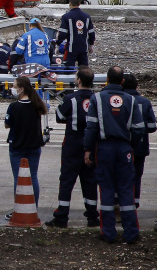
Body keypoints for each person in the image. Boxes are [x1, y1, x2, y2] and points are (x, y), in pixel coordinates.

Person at [85, 66, 144, 244]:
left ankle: (108, 233)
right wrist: (129, 145)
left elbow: (91, 127)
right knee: (127, 190)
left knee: (106, 190)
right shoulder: (131, 100)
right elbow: (139, 129)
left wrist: (88, 149)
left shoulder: (97, 98)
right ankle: (131, 233)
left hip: (104, 149)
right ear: (122, 81)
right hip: (124, 149)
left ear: (107, 80)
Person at [47, 66, 98, 228]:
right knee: (90, 181)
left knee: (67, 180)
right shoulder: (97, 98)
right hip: (91, 143)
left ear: (79, 80)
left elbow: (60, 116)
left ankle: (62, 216)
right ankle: (92, 216)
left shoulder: (70, 98)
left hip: (72, 143)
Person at [4, 76, 46, 213]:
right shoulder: (36, 105)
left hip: (17, 147)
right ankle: (34, 208)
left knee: (19, 178)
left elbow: (7, 124)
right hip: (34, 146)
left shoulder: (14, 107)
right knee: (33, 177)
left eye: (14, 86)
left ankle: (20, 209)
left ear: (21, 89)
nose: (12, 89)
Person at [123, 73, 157, 208]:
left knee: (121, 176)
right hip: (140, 146)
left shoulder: (120, 99)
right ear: (137, 86)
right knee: (136, 176)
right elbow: (152, 126)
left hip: (122, 145)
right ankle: (134, 202)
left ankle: (121, 204)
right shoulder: (144, 102)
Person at [56, 0, 95, 67]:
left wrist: (58, 44)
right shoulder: (87, 17)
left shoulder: (66, 17)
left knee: (69, 70)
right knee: (84, 71)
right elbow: (91, 33)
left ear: (70, 3)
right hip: (84, 47)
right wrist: (91, 45)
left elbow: (62, 33)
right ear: (79, 4)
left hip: (71, 48)